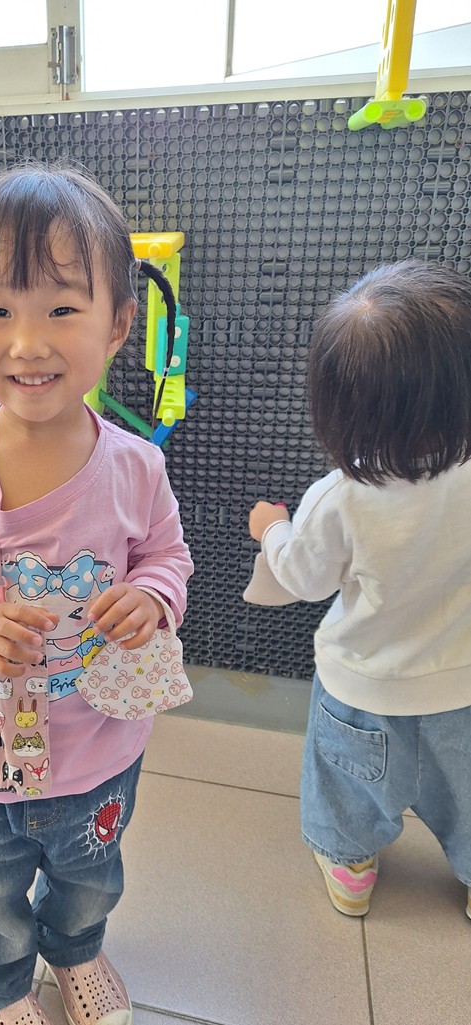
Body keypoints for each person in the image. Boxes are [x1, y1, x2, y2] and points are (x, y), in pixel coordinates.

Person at [0, 163, 193, 1025]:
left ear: (117, 322)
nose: (27, 343)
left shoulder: (137, 468)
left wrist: (152, 597)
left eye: (60, 310)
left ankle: (76, 949)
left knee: (91, 875)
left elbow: (167, 555)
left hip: (101, 744)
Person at [247, 259, 471, 920]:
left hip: (361, 686)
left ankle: (350, 870)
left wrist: (272, 528)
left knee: (347, 787)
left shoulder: (340, 497)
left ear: (338, 406)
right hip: (460, 682)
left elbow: (303, 577)